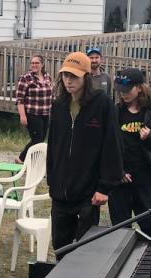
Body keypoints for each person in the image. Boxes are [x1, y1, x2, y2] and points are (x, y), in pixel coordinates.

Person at [46, 52, 123, 254]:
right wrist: (52, 181)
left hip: (88, 193)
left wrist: (105, 187)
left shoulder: (102, 104)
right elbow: (53, 146)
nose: (69, 81)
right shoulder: (58, 105)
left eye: (74, 76)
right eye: (65, 76)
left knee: (84, 250)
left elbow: (112, 146)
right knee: (60, 248)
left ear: (86, 77)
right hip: (60, 192)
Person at [108, 68, 151, 233]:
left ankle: (149, 258)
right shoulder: (116, 111)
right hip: (121, 180)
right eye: (120, 91)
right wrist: (118, 170)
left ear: (139, 88)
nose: (123, 94)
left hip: (145, 178)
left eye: (127, 90)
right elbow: (108, 145)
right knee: (120, 229)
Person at [15, 54, 53, 163]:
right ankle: (22, 158)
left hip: (46, 113)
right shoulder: (26, 78)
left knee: (40, 140)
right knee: (37, 140)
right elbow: (20, 99)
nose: (34, 65)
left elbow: (51, 95)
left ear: (42, 64)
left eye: (37, 63)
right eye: (32, 63)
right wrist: (22, 116)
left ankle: (31, 161)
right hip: (32, 113)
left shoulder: (47, 76)